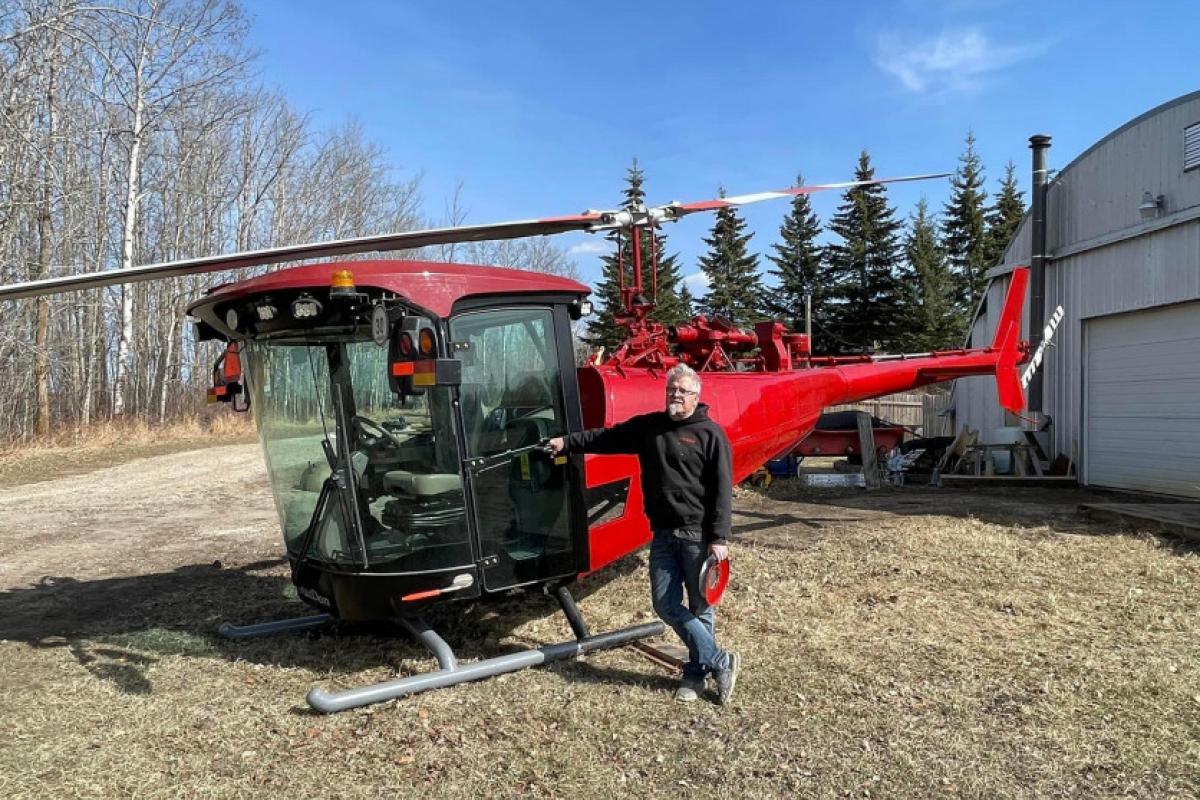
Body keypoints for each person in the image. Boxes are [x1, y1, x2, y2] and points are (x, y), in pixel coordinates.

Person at [548, 363, 740, 704]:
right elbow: (606, 437)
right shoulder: (650, 427)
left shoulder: (711, 435)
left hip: (698, 536)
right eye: (671, 390)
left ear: (697, 396)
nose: (675, 396)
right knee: (665, 604)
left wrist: (719, 538)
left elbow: (722, 490)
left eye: (682, 391)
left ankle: (696, 673)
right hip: (664, 534)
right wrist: (566, 443)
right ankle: (720, 660)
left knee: (700, 606)